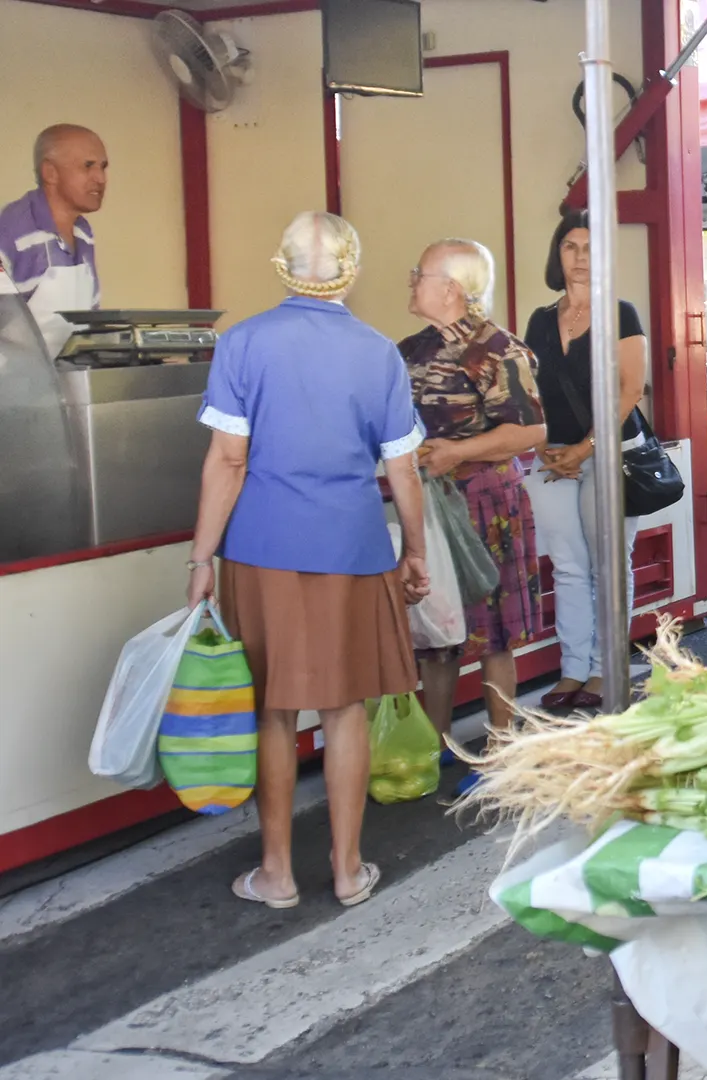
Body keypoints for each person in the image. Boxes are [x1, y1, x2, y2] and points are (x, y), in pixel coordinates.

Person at [187, 211, 429, 909]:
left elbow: (228, 461)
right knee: (344, 707)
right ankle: (348, 871)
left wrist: (201, 558)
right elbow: (403, 470)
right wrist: (415, 550)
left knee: (273, 710)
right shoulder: (380, 353)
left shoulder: (241, 343)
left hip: (261, 548)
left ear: (281, 268)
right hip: (352, 547)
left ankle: (277, 873)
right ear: (351, 271)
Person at [397, 239, 546, 791]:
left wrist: (457, 452)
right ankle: (434, 744)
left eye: (419, 273)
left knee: (494, 633)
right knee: (434, 631)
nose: (411, 280)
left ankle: (501, 753)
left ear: (451, 288)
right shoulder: (409, 350)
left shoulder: (497, 349)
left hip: (486, 501)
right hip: (429, 503)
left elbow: (532, 431)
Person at [522, 210, 650, 713]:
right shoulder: (539, 320)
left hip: (610, 452)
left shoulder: (621, 313)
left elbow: (630, 390)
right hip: (552, 455)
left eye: (589, 248)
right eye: (570, 246)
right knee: (567, 568)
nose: (579, 257)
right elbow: (530, 391)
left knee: (608, 565)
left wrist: (583, 448)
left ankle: (606, 666)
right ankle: (573, 668)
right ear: (558, 255)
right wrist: (543, 447)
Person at [0, 125, 107, 357]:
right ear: (50, 173)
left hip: (69, 375)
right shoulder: (10, 231)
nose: (100, 178)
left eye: (103, 167)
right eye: (88, 166)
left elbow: (90, 322)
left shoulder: (83, 233)